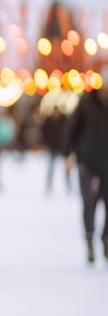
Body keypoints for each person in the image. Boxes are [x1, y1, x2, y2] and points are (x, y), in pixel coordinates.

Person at [63, 67, 108, 264]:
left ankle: (106, 238)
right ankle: (89, 237)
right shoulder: (86, 102)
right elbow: (72, 127)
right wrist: (66, 154)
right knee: (88, 203)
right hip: (88, 160)